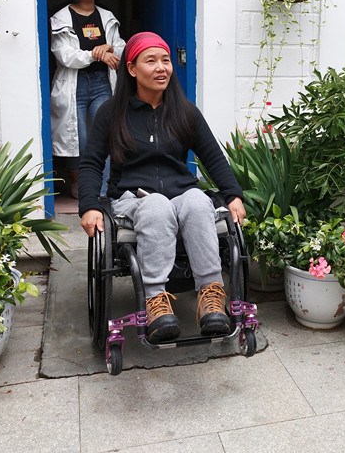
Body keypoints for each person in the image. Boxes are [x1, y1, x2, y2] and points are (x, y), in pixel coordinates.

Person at [79, 32, 246, 344]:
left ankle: (211, 295)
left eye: (166, 61)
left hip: (181, 192)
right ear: (131, 69)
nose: (161, 68)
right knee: (156, 205)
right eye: (151, 61)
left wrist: (234, 195)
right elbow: (90, 162)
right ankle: (155, 300)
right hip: (132, 198)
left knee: (198, 201)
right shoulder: (112, 113)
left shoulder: (185, 112)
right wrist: (89, 204)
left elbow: (213, 157)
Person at [50, 0, 125, 198]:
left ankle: (102, 190)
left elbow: (121, 48)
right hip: (75, 85)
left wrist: (110, 47)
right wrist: (96, 53)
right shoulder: (61, 17)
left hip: (102, 83)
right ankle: (79, 183)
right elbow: (65, 56)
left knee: (105, 134)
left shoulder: (107, 16)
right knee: (79, 138)